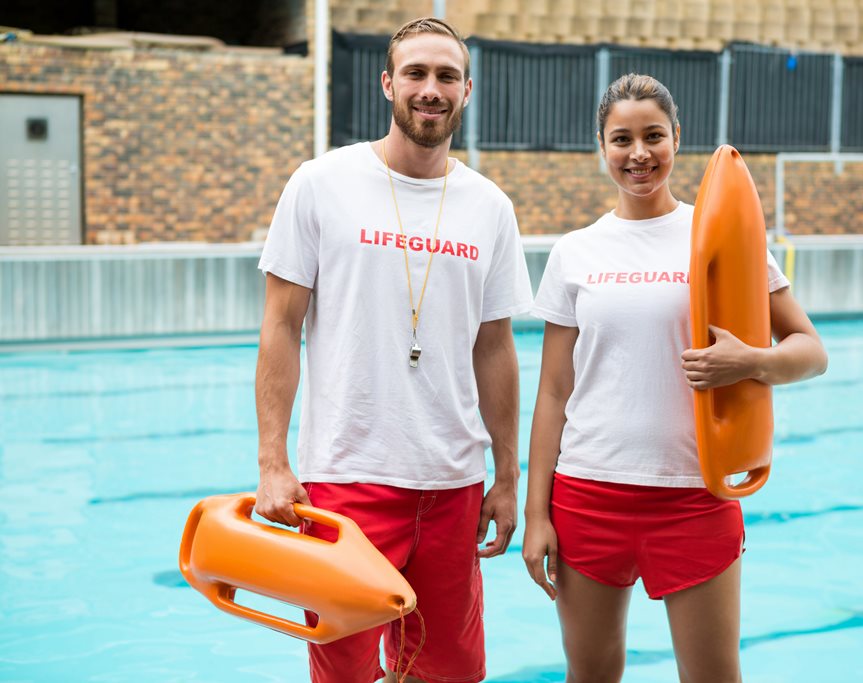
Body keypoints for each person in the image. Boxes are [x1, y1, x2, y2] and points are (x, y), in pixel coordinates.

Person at [522, 73, 828, 683]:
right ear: (601, 147)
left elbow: (811, 351)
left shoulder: (724, 238)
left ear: (676, 138)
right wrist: (537, 515)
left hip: (695, 495)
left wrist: (751, 361)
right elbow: (554, 391)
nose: (639, 153)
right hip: (588, 495)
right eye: (622, 139)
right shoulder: (576, 251)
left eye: (653, 136)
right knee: (590, 676)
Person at [254, 17, 532, 683]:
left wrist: (508, 477)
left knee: (448, 672)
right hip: (346, 477)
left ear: (466, 90)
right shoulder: (320, 183)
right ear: (388, 83)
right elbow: (280, 328)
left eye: (445, 77)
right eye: (415, 73)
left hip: (452, 485)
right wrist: (272, 461)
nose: (429, 89)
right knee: (345, 672)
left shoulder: (489, 206)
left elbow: (495, 348)